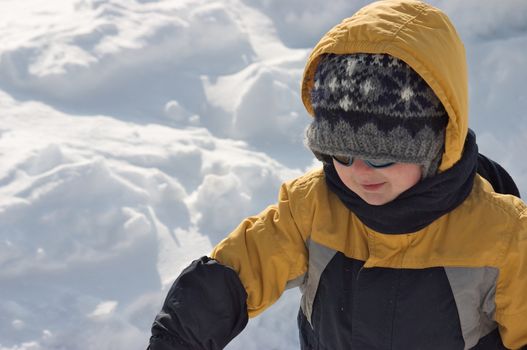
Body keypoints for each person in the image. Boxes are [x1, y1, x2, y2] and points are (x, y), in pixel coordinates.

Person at [147, 0, 526, 349]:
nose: (359, 172)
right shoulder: (310, 208)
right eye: (340, 154)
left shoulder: (503, 236)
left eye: (382, 157)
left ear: (434, 147)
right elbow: (234, 275)